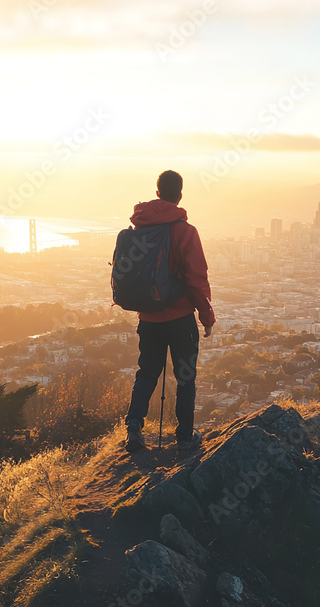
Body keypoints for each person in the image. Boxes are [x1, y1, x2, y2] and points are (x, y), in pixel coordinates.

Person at [124, 170, 214, 453]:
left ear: (158, 192)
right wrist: (207, 317)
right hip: (179, 319)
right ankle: (185, 436)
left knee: (147, 372)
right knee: (185, 376)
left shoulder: (141, 227)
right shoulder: (185, 231)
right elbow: (196, 278)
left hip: (148, 317)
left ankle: (134, 428)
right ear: (180, 196)